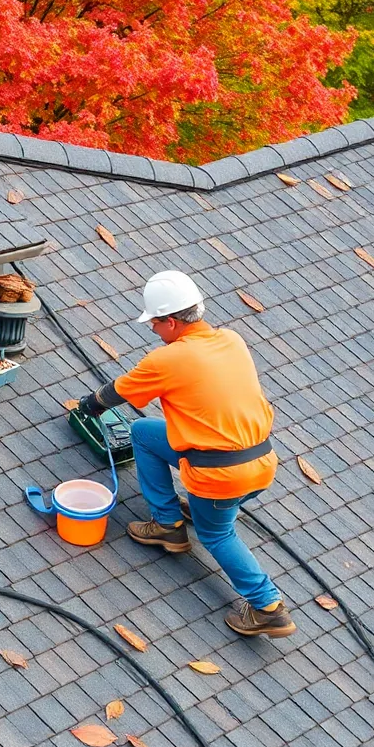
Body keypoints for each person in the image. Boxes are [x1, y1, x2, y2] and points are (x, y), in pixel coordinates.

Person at [78, 270, 295, 638]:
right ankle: (168, 523)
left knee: (218, 535)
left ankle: (267, 607)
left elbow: (118, 392)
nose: (152, 330)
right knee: (143, 433)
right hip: (261, 463)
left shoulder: (168, 360)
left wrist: (90, 405)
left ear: (173, 322)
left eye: (155, 323)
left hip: (221, 477)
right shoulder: (231, 339)